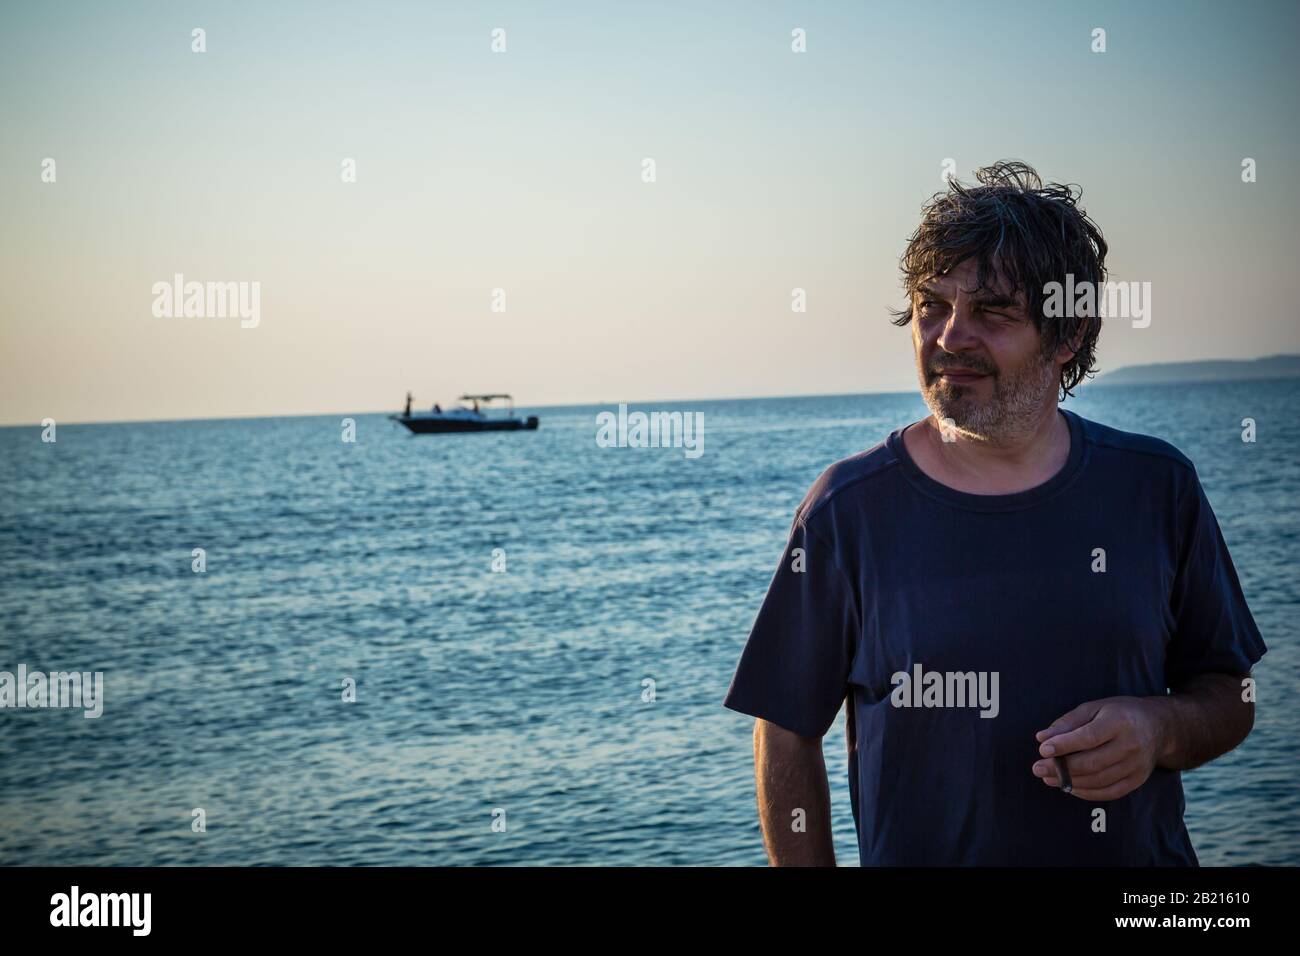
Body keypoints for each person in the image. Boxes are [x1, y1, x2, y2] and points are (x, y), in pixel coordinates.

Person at [723, 161, 1266, 866]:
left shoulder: (1158, 487)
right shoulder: (847, 511)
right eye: (930, 305)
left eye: (992, 311)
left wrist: (1160, 728)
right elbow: (785, 727)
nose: (948, 337)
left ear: (1067, 334)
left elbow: (1232, 691)